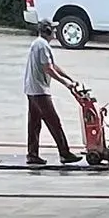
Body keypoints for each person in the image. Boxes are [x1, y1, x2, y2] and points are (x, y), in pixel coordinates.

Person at [22, 23, 79, 167]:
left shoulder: (39, 44)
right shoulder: (42, 46)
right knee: (54, 121)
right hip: (40, 90)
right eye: (53, 29)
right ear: (47, 31)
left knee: (34, 123)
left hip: (32, 89)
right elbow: (48, 69)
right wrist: (65, 84)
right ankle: (64, 153)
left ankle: (32, 154)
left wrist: (69, 78)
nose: (55, 31)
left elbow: (53, 66)